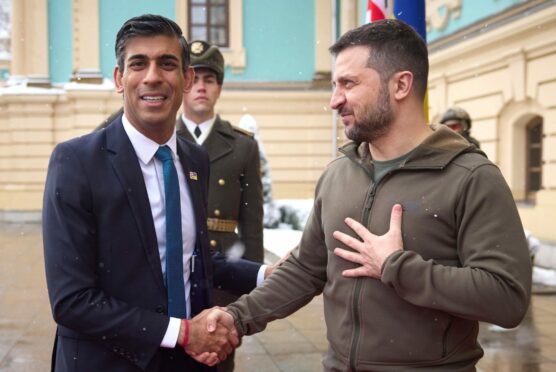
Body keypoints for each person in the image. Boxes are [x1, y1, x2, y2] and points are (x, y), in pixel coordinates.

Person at [204, 19, 532, 371]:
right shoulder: (338, 174)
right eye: (333, 85)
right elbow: (305, 269)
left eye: (348, 84)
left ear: (401, 85)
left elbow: (506, 298)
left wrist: (398, 267)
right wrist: (236, 317)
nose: (334, 101)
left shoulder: (470, 178)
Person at [42, 14, 266, 372]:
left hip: (187, 362)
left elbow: (192, 260)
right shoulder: (76, 162)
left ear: (186, 77)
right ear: (119, 79)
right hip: (106, 362)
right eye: (138, 64)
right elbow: (72, 300)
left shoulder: (194, 159)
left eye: (167, 63)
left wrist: (265, 275)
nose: (152, 76)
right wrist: (181, 331)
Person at [175, 40, 264, 372]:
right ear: (183, 84)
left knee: (218, 357)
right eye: (194, 78)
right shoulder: (162, 135)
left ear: (220, 88)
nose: (201, 87)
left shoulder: (242, 145)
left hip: (223, 268)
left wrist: (251, 292)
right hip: (175, 266)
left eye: (209, 80)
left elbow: (252, 221)